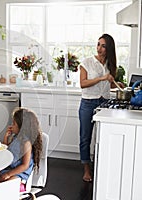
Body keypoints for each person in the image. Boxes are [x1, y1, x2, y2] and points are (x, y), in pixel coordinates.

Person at [78, 33, 117, 182]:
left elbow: (109, 84)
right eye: (98, 44)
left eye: (103, 46)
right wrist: (102, 77)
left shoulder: (111, 64)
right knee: (85, 138)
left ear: (109, 49)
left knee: (102, 138)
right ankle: (86, 169)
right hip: (88, 103)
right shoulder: (87, 62)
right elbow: (83, 83)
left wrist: (116, 84)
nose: (99, 48)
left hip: (104, 104)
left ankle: (99, 166)